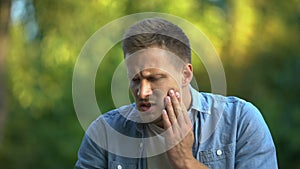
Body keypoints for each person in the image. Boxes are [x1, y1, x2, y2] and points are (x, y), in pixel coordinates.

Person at [75, 18, 278, 169]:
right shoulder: (104, 133)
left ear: (185, 75)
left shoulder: (240, 121)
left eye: (154, 78)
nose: (142, 92)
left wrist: (185, 161)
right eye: (135, 80)